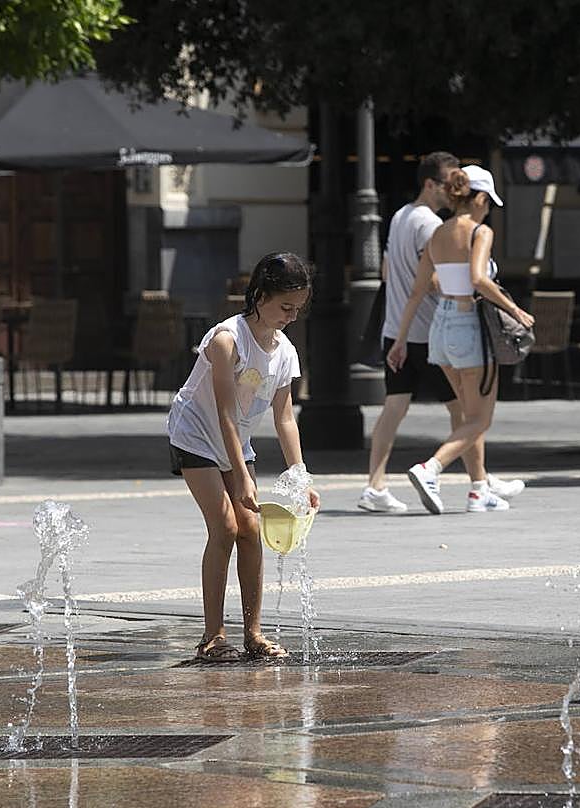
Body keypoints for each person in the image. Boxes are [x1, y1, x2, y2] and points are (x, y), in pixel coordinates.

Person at [167, 252, 321, 663]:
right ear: (259, 295)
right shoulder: (226, 340)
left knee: (251, 528)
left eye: (298, 309)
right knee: (226, 526)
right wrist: (243, 475)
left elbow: (285, 417)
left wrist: (300, 477)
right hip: (197, 434)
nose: (291, 316)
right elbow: (223, 414)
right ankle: (212, 636)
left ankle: (253, 633)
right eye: (285, 306)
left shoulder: (284, 350)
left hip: (237, 441)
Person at [359, 151, 524, 514]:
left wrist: (398, 337)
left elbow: (395, 275)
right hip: (449, 326)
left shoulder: (401, 217)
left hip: (411, 328)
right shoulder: (440, 227)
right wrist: (514, 309)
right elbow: (461, 280)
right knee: (470, 415)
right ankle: (460, 477)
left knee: (397, 405)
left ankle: (377, 484)